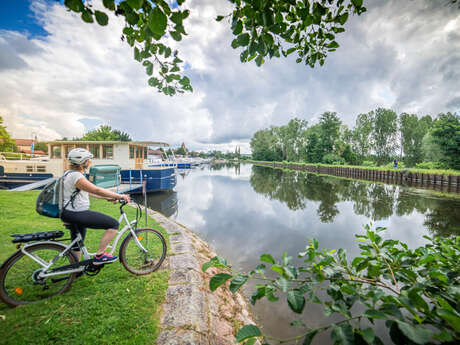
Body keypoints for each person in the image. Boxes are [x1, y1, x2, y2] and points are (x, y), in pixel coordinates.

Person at [60, 148, 130, 265]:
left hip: (69, 212)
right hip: (76, 213)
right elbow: (96, 189)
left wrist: (107, 197)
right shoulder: (76, 176)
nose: (90, 162)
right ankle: (100, 255)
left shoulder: (69, 174)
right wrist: (119, 196)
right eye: (89, 160)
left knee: (77, 243)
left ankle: (75, 268)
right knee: (113, 224)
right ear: (84, 162)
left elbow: (88, 192)